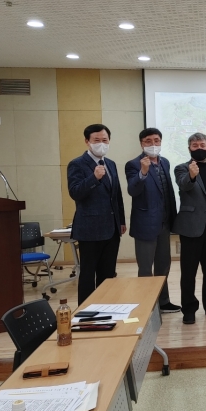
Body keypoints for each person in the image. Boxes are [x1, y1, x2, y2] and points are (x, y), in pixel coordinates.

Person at [67, 124, 126, 305]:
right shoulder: (77, 164)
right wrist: (94, 178)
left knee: (108, 274)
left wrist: (121, 221)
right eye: (97, 140)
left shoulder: (111, 164)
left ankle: (106, 307)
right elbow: (75, 192)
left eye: (105, 140)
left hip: (112, 228)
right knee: (88, 274)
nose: (101, 144)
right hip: (90, 229)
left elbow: (116, 195)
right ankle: (86, 311)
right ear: (87, 141)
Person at [173, 133, 206, 325]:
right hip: (191, 227)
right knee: (188, 272)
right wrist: (191, 175)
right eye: (195, 145)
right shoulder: (182, 168)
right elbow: (184, 186)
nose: (199, 148)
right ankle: (189, 309)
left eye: (202, 145)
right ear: (189, 148)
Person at [125, 128, 180, 314]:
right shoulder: (133, 164)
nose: (153, 144)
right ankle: (147, 305)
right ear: (141, 143)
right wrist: (143, 172)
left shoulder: (165, 162)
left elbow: (168, 192)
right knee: (146, 268)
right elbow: (133, 190)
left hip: (164, 223)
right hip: (145, 224)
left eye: (156, 140)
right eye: (148, 141)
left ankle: (163, 302)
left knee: (163, 265)